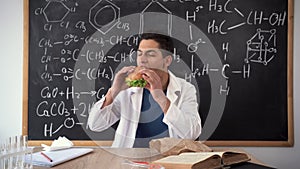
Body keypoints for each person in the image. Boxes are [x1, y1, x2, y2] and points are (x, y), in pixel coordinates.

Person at [88, 33, 201, 148]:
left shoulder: (185, 89)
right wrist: (114, 91)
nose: (142, 60)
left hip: (169, 157)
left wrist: (161, 98)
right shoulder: (127, 88)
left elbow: (191, 134)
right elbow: (95, 125)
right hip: (128, 157)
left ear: (167, 61)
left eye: (150, 55)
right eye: (139, 54)